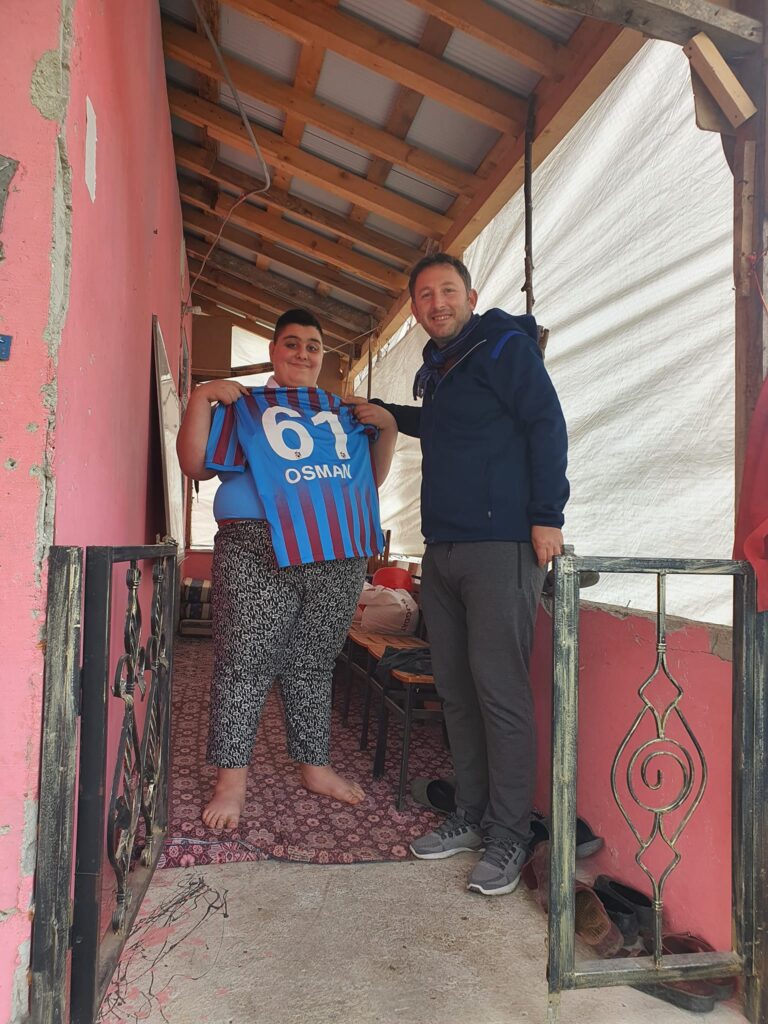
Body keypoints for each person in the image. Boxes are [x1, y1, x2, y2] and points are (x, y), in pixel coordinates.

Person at [347, 254, 568, 896]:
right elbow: (439, 425)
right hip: (442, 548)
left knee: (499, 692)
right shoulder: (442, 368)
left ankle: (509, 832)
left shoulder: (502, 347)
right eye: (424, 295)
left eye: (447, 290)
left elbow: (546, 422)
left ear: (471, 296)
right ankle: (471, 814)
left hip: (500, 545)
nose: (436, 302)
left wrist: (547, 515)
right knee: (456, 690)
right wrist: (384, 411)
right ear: (416, 307)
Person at [177, 308, 397, 829]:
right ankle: (231, 782)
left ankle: (314, 767)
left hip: (335, 547)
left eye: (313, 346)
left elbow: (368, 481)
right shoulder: (244, 404)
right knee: (244, 661)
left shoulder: (345, 414)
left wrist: (387, 428)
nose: (302, 353)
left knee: (314, 662)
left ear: (323, 357)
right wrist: (200, 397)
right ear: (273, 351)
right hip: (256, 545)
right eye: (292, 343)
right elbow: (194, 465)